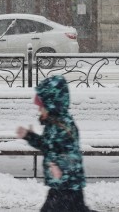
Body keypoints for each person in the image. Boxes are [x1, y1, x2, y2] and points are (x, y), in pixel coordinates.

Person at [16, 75, 93, 212]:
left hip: (67, 185)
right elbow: (47, 146)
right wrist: (29, 136)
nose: (39, 110)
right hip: (64, 185)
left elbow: (71, 154)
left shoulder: (63, 126)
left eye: (41, 107)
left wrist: (58, 166)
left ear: (52, 105)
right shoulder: (52, 124)